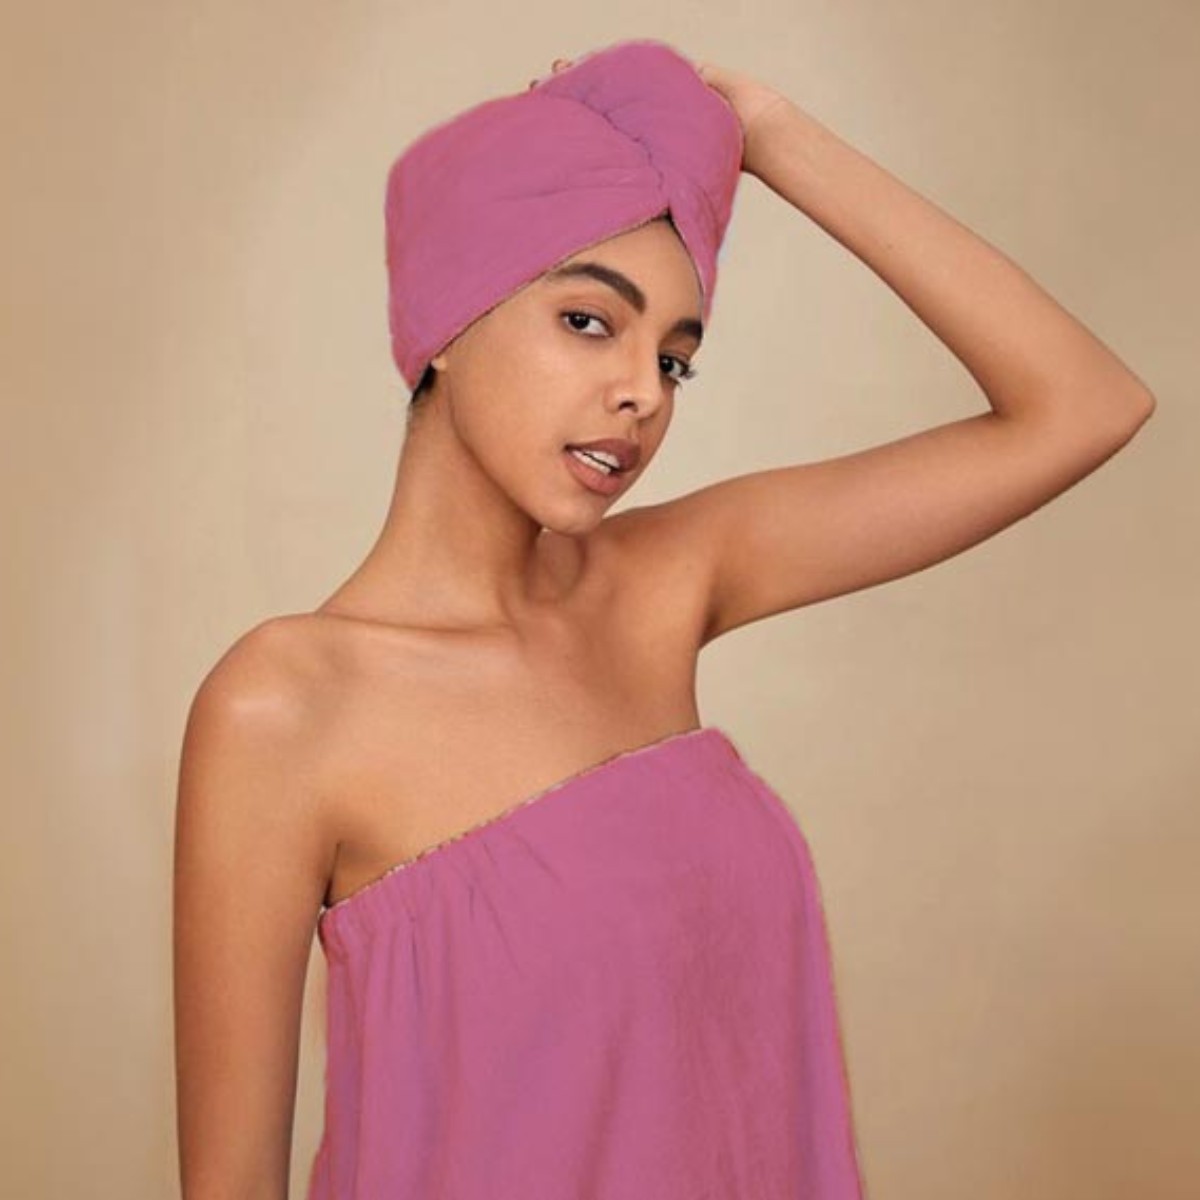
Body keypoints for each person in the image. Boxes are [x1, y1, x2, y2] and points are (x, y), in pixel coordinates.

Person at [173, 39, 1155, 1200]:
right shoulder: (285, 709)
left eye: (675, 360)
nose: (641, 392)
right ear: (448, 317)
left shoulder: (665, 582)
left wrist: (773, 135)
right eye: (591, 322)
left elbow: (1085, 404)